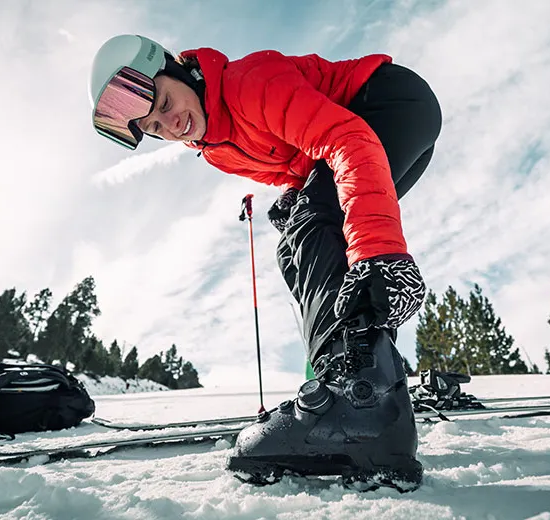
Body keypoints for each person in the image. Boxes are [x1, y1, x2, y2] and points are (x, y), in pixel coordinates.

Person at [89, 34, 441, 490]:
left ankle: (359, 403)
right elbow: (298, 155)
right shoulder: (216, 148)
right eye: (155, 128)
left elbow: (345, 139)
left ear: (178, 70)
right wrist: (296, 193)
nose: (170, 125)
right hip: (365, 132)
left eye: (164, 102)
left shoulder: (248, 84)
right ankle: (369, 387)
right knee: (294, 246)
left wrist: (378, 252)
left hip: (391, 103)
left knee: (317, 222)